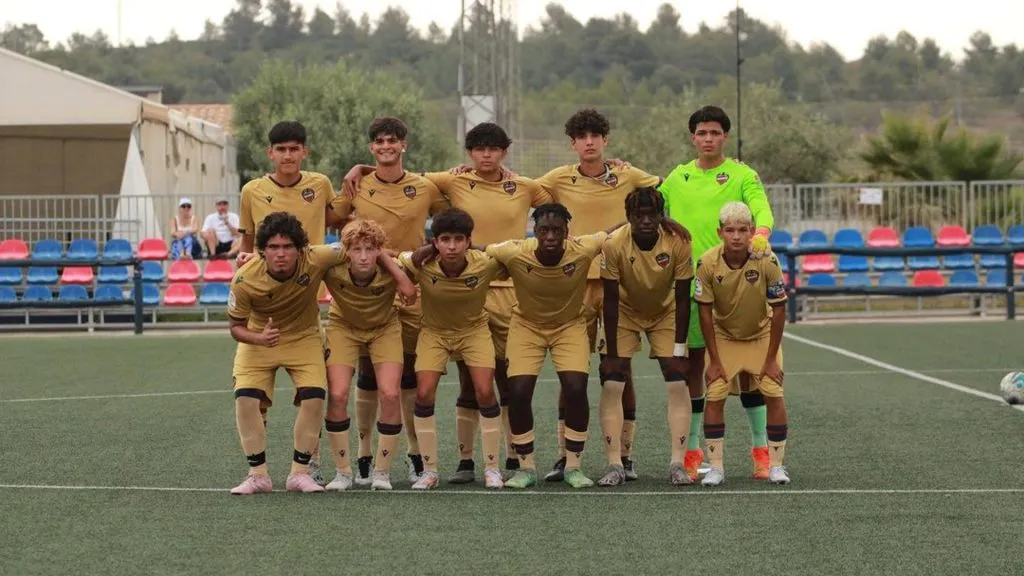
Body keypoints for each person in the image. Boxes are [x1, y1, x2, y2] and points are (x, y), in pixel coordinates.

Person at [534, 109, 664, 483]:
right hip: (571, 285)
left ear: (606, 140)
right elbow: (514, 189)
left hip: (617, 285)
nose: (589, 142)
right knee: (569, 372)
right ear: (572, 144)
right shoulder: (558, 178)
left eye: (595, 135)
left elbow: (667, 189)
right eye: (581, 136)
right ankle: (564, 456)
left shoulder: (629, 174)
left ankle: (625, 454)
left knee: (618, 370)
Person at [658, 105, 776, 482]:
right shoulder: (678, 177)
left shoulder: (742, 174)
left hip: (738, 288)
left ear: (724, 136)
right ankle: (692, 454)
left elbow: (762, 212)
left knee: (749, 376)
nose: (708, 139)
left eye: (715, 133)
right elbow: (649, 205)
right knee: (695, 368)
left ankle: (761, 453)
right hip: (690, 288)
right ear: (692, 137)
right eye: (701, 133)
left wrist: (759, 236)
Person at [331, 116, 450, 485]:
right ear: (371, 147)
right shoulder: (356, 184)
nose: (386, 147)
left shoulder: (425, 186)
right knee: (366, 374)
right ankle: (364, 455)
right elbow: (334, 219)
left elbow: (451, 221)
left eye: (392, 141)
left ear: (404, 145)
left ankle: (415, 454)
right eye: (379, 142)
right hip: (368, 285)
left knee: (407, 375)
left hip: (410, 284)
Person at [484, 203, 623, 489]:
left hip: (569, 326)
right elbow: (480, 250)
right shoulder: (515, 251)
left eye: (556, 231)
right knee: (518, 392)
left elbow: (612, 232)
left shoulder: (582, 249)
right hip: (526, 327)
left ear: (566, 233)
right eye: (544, 230)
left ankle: (573, 466)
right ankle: (526, 468)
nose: (550, 236)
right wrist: (435, 246)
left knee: (575, 387)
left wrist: (661, 219)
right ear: (535, 231)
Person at [236, 120, 344, 483]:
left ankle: (307, 466)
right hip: (265, 303)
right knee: (252, 397)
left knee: (313, 393)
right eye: (280, 149)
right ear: (271, 153)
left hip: (305, 298)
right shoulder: (252, 190)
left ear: (304, 152)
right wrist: (245, 260)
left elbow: (341, 218)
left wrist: (360, 171)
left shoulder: (320, 184)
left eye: (294, 149)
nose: (287, 155)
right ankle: (258, 471)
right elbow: (247, 241)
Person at [225, 212, 344, 495]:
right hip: (258, 338)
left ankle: (300, 473)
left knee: (314, 397)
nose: (281, 254)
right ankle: (257, 476)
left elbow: (355, 247)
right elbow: (235, 327)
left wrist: (400, 269)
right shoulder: (244, 279)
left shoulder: (316, 257)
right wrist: (259, 338)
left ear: (300, 249)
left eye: (288, 247)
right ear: (262, 250)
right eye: (274, 248)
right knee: (246, 399)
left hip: (303, 336)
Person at [401, 208, 508, 490]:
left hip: (474, 332)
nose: (451, 246)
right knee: (423, 393)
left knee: (485, 391)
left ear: (468, 241)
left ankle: (493, 468)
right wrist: (416, 256)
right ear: (434, 242)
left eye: (458, 239)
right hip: (433, 333)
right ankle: (429, 471)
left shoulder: (484, 263)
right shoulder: (422, 264)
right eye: (445, 239)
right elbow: (395, 261)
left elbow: (515, 257)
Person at [597, 187, 694, 486]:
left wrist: (679, 346)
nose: (646, 221)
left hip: (664, 312)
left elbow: (682, 298)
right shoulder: (614, 245)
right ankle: (615, 463)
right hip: (624, 311)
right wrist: (612, 349)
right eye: (639, 215)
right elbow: (610, 300)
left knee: (677, 376)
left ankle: (678, 463)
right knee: (612, 378)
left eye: (652, 214)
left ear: (661, 215)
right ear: (628, 217)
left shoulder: (679, 242)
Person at [694, 202, 790, 486]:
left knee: (773, 393)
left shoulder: (767, 260)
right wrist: (714, 359)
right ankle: (716, 467)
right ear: (720, 232)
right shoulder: (707, 262)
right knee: (715, 394)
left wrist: (771, 359)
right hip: (725, 337)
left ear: (752, 232)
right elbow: (704, 311)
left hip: (760, 336)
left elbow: (780, 309)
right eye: (730, 230)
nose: (736, 236)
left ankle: (776, 465)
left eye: (743, 230)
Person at [320, 219, 418, 492]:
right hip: (343, 327)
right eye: (357, 249)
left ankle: (382, 472)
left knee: (390, 394)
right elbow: (301, 256)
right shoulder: (333, 265)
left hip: (384, 328)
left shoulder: (393, 267)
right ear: (346, 251)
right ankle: (342, 473)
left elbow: (417, 261)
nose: (363, 256)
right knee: (338, 394)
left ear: (379, 252)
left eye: (370, 249)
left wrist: (400, 275)